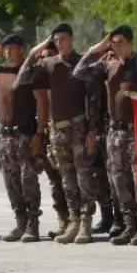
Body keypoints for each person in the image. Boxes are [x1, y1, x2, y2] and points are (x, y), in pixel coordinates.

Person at [72, 25, 137, 246]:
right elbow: (78, 72)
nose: (115, 46)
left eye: (119, 42)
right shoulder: (107, 65)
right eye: (113, 42)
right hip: (115, 132)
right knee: (119, 180)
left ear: (129, 43)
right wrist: (95, 49)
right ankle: (129, 225)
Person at [17, 24, 98, 244]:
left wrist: (92, 129)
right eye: (56, 39)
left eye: (63, 38)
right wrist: (36, 51)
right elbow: (22, 80)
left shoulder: (82, 62)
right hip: (58, 130)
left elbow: (92, 98)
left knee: (83, 178)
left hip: (79, 127)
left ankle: (86, 222)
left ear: (71, 39)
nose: (60, 43)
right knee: (67, 180)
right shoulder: (48, 64)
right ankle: (73, 221)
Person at [0, 34, 52, 242]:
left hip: (25, 134)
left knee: (28, 180)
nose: (8, 52)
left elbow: (42, 103)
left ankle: (33, 224)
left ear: (21, 49)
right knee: (10, 181)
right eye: (6, 48)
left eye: (13, 48)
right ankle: (20, 222)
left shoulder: (30, 72)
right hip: (5, 136)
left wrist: (39, 133)